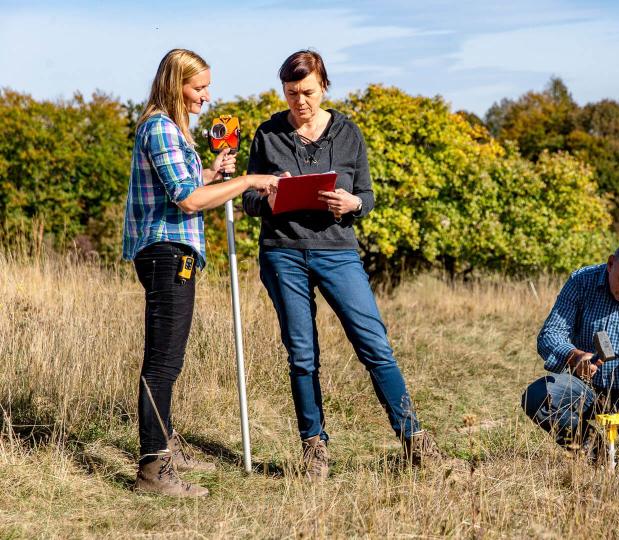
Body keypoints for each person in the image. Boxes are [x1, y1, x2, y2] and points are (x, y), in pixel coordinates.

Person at [242, 50, 442, 480]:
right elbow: (248, 200)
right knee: (301, 353)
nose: (300, 102)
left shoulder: (349, 134)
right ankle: (314, 448)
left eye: (308, 92)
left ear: (324, 86)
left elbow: (366, 197)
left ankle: (414, 440)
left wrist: (352, 204)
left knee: (374, 344)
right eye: (292, 93)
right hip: (283, 252)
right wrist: (268, 199)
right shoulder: (268, 134)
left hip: (338, 251)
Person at [122, 48, 279, 497]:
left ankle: (165, 445)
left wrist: (212, 174)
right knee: (163, 362)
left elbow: (188, 189)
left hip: (171, 251)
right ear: (176, 85)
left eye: (208, 86)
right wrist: (248, 181)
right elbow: (187, 202)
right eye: (199, 87)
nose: (206, 96)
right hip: (167, 253)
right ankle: (153, 469)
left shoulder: (170, 131)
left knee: (168, 358)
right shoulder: (161, 129)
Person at [521, 240, 619, 460]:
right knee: (538, 396)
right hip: (585, 388)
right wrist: (573, 356)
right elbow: (550, 334)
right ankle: (597, 456)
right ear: (611, 264)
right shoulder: (581, 281)